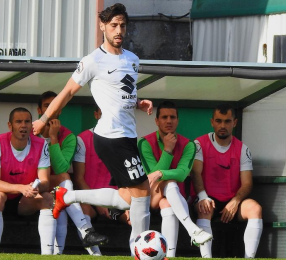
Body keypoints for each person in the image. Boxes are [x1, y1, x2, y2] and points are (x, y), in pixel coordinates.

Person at [32, 3, 155, 254]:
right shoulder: (92, 61)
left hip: (128, 135)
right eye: (113, 26)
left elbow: (123, 93)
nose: (118, 30)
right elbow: (66, 93)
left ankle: (67, 197)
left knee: (129, 197)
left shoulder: (132, 60)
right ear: (102, 27)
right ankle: (141, 251)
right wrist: (44, 119)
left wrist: (139, 103)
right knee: (143, 191)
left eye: (122, 25)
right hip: (110, 136)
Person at [138, 101, 213, 257]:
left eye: (172, 117)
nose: (169, 121)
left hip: (177, 197)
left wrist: (161, 173)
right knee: (169, 181)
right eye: (164, 117)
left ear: (178, 120)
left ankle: (169, 256)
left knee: (168, 203)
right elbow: (152, 175)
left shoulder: (189, 145)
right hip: (150, 196)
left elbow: (182, 173)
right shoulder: (144, 142)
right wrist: (167, 150)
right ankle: (192, 229)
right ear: (156, 121)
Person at [0, 107, 56, 254]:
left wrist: (37, 187)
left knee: (47, 198)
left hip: (24, 198)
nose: (23, 125)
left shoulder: (42, 144)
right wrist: (21, 187)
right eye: (18, 121)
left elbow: (45, 181)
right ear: (9, 125)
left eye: (27, 121)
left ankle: (48, 254)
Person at [37, 91, 108, 255]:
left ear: (60, 110)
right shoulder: (32, 133)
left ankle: (60, 253)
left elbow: (61, 167)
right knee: (64, 183)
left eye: (55, 106)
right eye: (47, 106)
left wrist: (53, 138)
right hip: (34, 186)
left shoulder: (68, 137)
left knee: (61, 196)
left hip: (55, 188)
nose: (52, 110)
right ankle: (86, 233)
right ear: (40, 110)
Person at [191, 103, 263, 258]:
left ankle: (249, 257)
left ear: (234, 123)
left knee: (255, 209)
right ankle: (206, 257)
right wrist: (203, 197)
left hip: (232, 201)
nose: (222, 125)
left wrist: (236, 200)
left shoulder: (243, 149)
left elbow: (247, 183)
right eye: (218, 121)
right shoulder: (199, 144)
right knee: (205, 208)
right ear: (212, 122)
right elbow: (195, 173)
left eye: (227, 121)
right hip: (207, 198)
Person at [72, 104, 131, 255]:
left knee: (135, 215)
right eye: (103, 113)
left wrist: (125, 203)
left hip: (115, 199)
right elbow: (78, 178)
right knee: (82, 209)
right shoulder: (82, 139)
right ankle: (97, 256)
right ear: (96, 115)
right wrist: (98, 202)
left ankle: (138, 255)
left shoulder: (123, 138)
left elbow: (126, 175)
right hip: (91, 200)